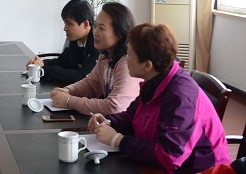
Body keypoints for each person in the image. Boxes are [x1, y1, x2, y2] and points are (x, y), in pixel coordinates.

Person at [89, 23, 231, 172]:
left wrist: (118, 140)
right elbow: (132, 116)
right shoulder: (155, 80)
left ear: (147, 65)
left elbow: (169, 155)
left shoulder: (180, 97)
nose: (125, 59)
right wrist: (109, 122)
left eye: (129, 54)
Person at [49, 2, 141, 115]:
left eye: (101, 28)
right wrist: (68, 91)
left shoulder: (127, 63)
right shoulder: (105, 56)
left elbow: (115, 107)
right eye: (96, 26)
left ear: (119, 32)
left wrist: (69, 101)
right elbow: (91, 84)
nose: (95, 32)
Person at [26, 0, 99, 84]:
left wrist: (43, 68)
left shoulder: (98, 44)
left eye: (69, 23)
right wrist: (38, 64)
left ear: (86, 24)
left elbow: (81, 76)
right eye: (65, 23)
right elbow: (61, 62)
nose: (65, 28)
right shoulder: (75, 40)